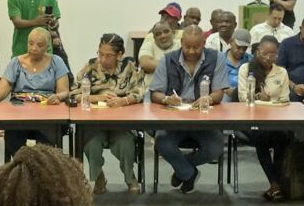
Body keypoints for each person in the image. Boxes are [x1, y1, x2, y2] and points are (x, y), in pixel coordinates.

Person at [150, 26, 226, 193]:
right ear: (181, 42)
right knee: (162, 142)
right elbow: (155, 92)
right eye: (187, 47)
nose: (191, 51)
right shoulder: (168, 59)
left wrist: (209, 98)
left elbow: (219, 93)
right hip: (174, 119)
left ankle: (183, 169)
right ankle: (188, 173)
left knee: (216, 147)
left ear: (204, 43)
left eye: (196, 47)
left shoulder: (217, 58)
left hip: (204, 119)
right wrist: (166, 99)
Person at [76, 34, 144, 195]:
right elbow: (73, 92)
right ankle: (99, 177)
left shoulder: (130, 67)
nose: (103, 59)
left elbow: (140, 92)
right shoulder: (91, 67)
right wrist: (94, 97)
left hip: (121, 122)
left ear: (119, 55)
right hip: (95, 123)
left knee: (126, 144)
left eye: (108, 55)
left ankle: (130, 177)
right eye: (100, 53)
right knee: (90, 144)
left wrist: (124, 101)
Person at [0, 26, 71, 158]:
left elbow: (64, 91)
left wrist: (58, 96)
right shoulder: (16, 62)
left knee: (45, 148)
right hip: (19, 112)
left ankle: (37, 169)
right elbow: (2, 89)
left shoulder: (56, 61)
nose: (34, 48)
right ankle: (24, 167)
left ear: (47, 46)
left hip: (47, 112)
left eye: (40, 45)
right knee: (13, 139)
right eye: (31, 43)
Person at [239, 34, 295, 202]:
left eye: (273, 55)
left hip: (276, 118)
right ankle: (275, 184)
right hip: (250, 118)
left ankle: (275, 185)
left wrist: (269, 100)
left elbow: (285, 99)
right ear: (258, 52)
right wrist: (256, 98)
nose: (269, 58)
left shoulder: (281, 72)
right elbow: (242, 97)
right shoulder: (246, 69)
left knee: (283, 136)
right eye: (265, 54)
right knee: (261, 137)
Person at [219, 28, 254, 93]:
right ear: (231, 41)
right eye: (238, 47)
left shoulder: (251, 60)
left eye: (244, 48)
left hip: (245, 96)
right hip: (225, 96)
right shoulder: (220, 60)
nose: (241, 51)